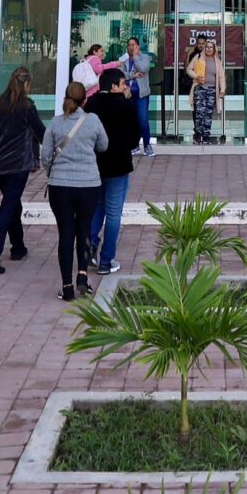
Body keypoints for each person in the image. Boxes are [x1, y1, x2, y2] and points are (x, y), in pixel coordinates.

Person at [40, 79, 109, 301]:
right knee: (84, 230)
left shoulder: (55, 123)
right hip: (88, 184)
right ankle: (82, 275)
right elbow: (103, 146)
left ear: (65, 98)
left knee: (66, 234)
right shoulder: (93, 120)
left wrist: (53, 172)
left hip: (60, 186)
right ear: (84, 100)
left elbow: (45, 156)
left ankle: (67, 286)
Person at [0, 65, 45, 275]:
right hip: (18, 166)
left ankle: (18, 247)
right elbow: (42, 133)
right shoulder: (27, 107)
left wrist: (1, 135)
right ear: (27, 84)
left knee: (13, 203)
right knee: (7, 208)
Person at [85, 65, 142, 275]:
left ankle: (90, 246)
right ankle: (106, 260)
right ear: (114, 86)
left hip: (95, 164)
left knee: (97, 208)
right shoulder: (124, 105)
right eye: (123, 84)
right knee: (114, 213)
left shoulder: (91, 104)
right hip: (118, 165)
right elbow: (135, 136)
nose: (126, 87)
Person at [121, 36, 155, 157]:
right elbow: (121, 75)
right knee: (131, 120)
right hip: (128, 94)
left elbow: (143, 69)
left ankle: (147, 145)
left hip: (141, 94)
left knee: (143, 119)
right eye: (129, 45)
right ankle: (134, 145)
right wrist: (133, 75)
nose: (131, 47)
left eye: (133, 45)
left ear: (138, 46)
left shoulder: (145, 57)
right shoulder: (124, 60)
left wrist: (135, 57)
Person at [188, 32, 221, 145]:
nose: (207, 48)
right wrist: (196, 76)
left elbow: (221, 76)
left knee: (208, 114)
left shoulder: (216, 60)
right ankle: (198, 135)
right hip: (200, 88)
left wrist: (222, 89)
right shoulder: (197, 57)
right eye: (207, 47)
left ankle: (206, 136)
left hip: (212, 90)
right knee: (199, 113)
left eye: (210, 47)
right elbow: (188, 69)